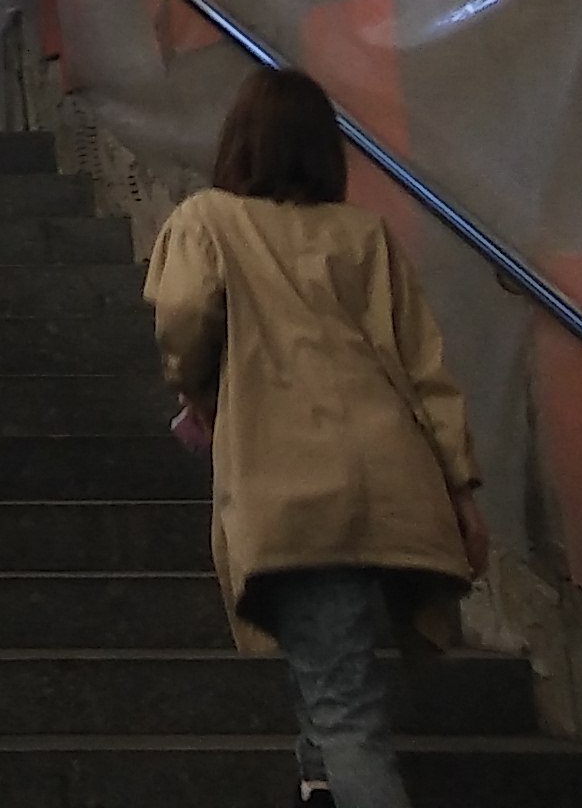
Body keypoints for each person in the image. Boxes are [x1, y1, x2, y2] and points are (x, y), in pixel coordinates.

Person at [147, 69, 491, 808]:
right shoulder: (366, 235)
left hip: (294, 489)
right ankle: (319, 784)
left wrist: (196, 387)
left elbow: (182, 317)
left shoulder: (209, 221)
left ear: (240, 142)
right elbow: (424, 367)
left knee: (346, 710)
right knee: (330, 671)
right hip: (393, 486)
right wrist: (461, 490)